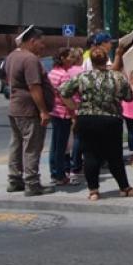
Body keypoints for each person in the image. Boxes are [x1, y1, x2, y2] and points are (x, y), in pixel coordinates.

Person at [59, 47, 133, 200]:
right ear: (106, 60)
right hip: (111, 119)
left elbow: (63, 91)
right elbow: (129, 98)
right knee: (114, 155)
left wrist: (74, 106)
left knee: (90, 155)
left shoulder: (83, 77)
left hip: (87, 119)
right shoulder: (117, 77)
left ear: (91, 60)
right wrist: (132, 85)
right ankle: (124, 188)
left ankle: (93, 191)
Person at [4, 26, 55, 197]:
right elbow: (34, 87)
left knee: (16, 144)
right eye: (41, 43)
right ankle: (32, 184)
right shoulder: (30, 59)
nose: (43, 47)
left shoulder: (12, 56)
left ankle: (14, 180)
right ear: (32, 41)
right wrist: (43, 111)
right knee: (32, 147)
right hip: (28, 110)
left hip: (15, 108)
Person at [47, 47, 77, 186]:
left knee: (55, 145)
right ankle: (60, 175)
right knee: (61, 146)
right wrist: (73, 109)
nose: (72, 59)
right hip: (63, 113)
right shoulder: (64, 76)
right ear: (63, 58)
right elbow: (66, 96)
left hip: (54, 111)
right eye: (70, 57)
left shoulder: (52, 73)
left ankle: (54, 172)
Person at [66, 47, 85, 185]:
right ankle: (76, 165)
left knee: (67, 138)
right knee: (78, 137)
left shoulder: (66, 71)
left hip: (66, 107)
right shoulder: (81, 72)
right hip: (79, 106)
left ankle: (67, 166)